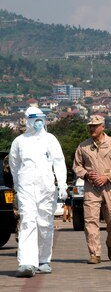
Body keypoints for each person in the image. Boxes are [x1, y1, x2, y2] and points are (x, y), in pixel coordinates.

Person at [9, 107, 68, 277]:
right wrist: (18, 184)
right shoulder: (19, 141)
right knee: (28, 221)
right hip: (26, 187)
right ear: (27, 120)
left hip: (46, 188)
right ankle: (26, 262)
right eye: (35, 119)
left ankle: (43, 260)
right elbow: (14, 165)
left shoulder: (50, 139)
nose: (39, 122)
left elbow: (59, 162)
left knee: (44, 223)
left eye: (41, 118)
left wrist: (62, 184)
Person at [73, 115, 111, 264]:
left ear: (103, 126)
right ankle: (94, 253)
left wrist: (107, 176)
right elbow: (77, 166)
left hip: (110, 185)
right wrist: (86, 174)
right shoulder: (83, 146)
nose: (92, 128)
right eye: (90, 126)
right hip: (91, 187)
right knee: (90, 221)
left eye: (95, 126)